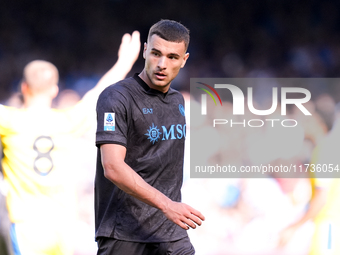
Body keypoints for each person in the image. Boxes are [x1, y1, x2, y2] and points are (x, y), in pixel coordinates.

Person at [0, 31, 140, 255]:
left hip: (27, 225)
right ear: (55, 89)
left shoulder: (8, 121)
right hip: (62, 225)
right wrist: (124, 62)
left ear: (24, 88)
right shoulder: (69, 121)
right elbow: (99, 94)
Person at [95, 19, 205, 255]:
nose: (162, 64)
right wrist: (167, 205)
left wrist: (170, 209)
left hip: (170, 232)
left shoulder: (178, 101)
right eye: (156, 53)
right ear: (145, 50)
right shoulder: (116, 98)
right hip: (124, 233)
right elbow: (112, 167)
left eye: (172, 57)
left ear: (184, 60)